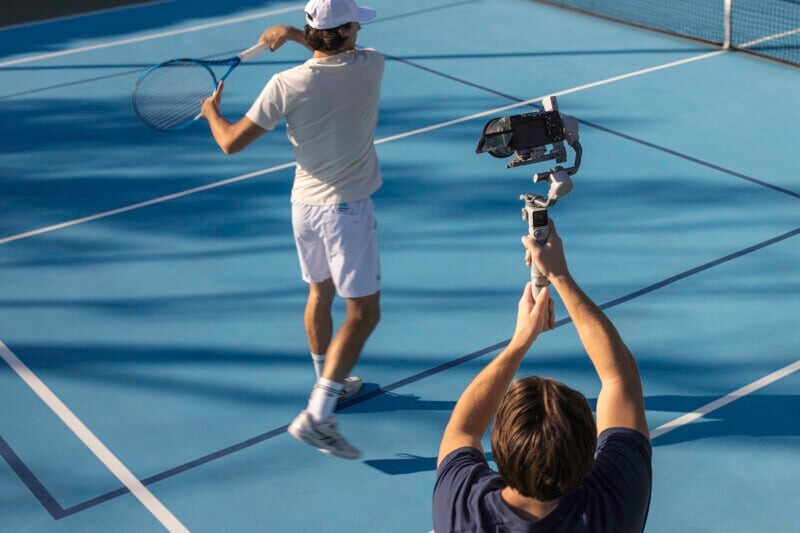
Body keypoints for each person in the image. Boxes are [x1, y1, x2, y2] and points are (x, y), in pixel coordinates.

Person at [199, 0, 384, 460]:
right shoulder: (371, 66)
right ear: (345, 32)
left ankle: (329, 378)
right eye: (355, 23)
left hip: (304, 208)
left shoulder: (284, 84)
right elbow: (334, 52)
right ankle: (319, 415)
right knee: (363, 314)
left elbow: (229, 142)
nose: (360, 29)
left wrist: (211, 113)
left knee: (319, 293)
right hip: (347, 212)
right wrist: (294, 34)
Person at [433, 221, 652, 532]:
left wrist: (520, 341)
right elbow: (620, 379)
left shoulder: (463, 508)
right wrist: (560, 277)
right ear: (586, 452)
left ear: (501, 449)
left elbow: (463, 428)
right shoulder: (615, 505)